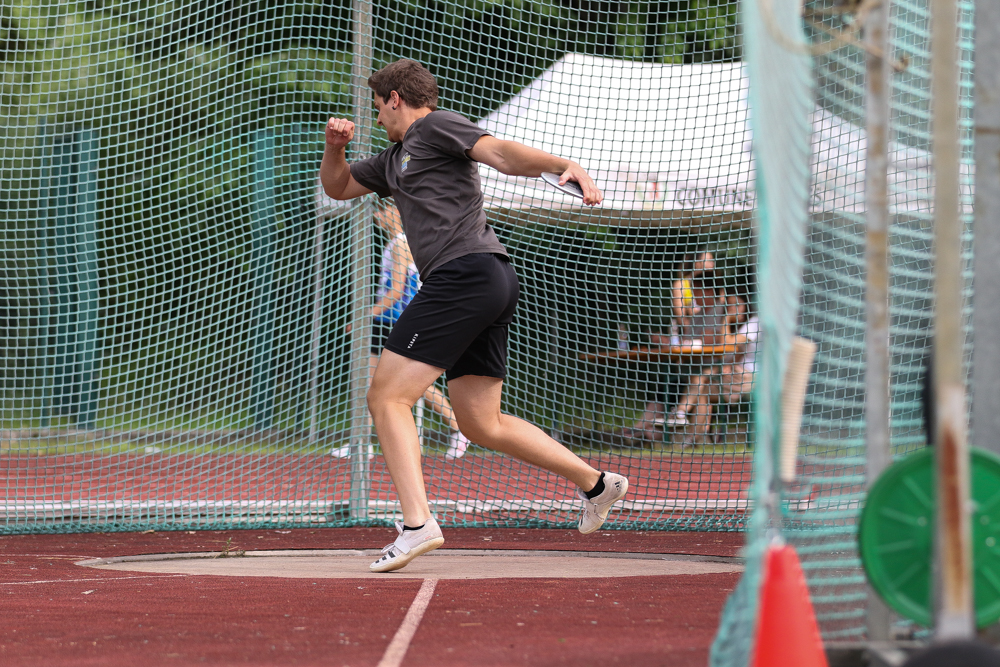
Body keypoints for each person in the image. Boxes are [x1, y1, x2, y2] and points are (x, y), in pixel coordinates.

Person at [320, 59, 629, 573]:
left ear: (396, 98)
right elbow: (338, 187)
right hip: (486, 280)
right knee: (481, 422)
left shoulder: (434, 126)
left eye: (378, 107)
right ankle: (597, 484)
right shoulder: (392, 160)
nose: (377, 118)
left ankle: (417, 524)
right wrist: (335, 147)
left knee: (387, 396)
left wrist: (562, 163)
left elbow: (501, 154)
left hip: (464, 274)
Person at [331, 203, 472, 459]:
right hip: (383, 324)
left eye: (380, 210)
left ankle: (459, 429)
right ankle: (361, 443)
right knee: (369, 382)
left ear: (396, 211)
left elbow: (396, 291)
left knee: (415, 384)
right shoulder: (394, 244)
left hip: (397, 323)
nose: (376, 216)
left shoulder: (401, 244)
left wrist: (364, 315)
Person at [625, 250, 719, 441]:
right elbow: (682, 319)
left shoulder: (717, 298)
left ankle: (678, 424)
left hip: (708, 358)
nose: (711, 264)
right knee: (674, 383)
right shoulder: (682, 285)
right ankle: (645, 431)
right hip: (690, 351)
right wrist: (685, 339)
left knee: (699, 379)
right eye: (707, 260)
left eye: (712, 261)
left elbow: (719, 329)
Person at [673, 311, 758, 442]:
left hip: (745, 377)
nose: (733, 309)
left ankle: (684, 421)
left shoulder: (756, 322)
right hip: (746, 373)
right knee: (701, 378)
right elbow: (742, 351)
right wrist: (730, 364)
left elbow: (727, 342)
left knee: (703, 390)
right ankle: (683, 417)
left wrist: (726, 318)